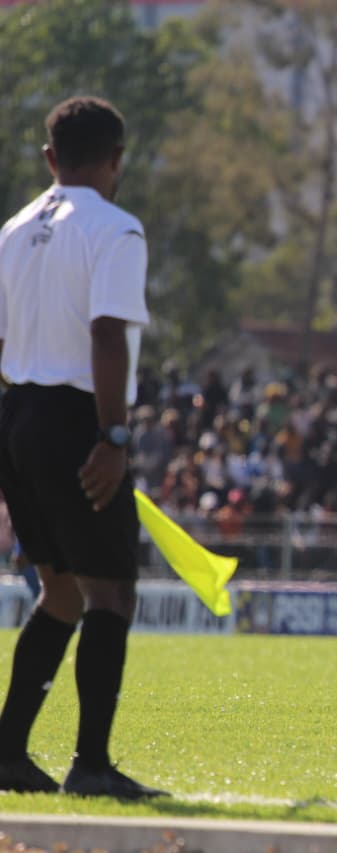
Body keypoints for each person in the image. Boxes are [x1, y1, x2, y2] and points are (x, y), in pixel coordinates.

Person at [0, 96, 164, 798]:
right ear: (116, 161)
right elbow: (106, 334)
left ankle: (7, 753)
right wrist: (113, 435)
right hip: (74, 419)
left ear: (49, 157)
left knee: (60, 591)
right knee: (110, 593)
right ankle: (90, 764)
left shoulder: (10, 230)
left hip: (15, 413)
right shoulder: (115, 228)